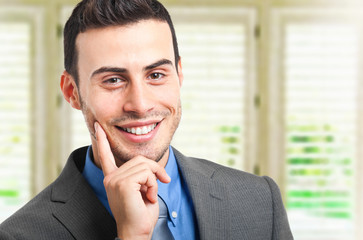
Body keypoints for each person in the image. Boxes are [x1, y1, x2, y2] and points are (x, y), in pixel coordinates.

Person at [0, 0, 293, 239]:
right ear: (72, 92)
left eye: (155, 75)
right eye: (113, 80)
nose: (139, 105)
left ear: (179, 75)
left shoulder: (259, 201)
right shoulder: (20, 235)